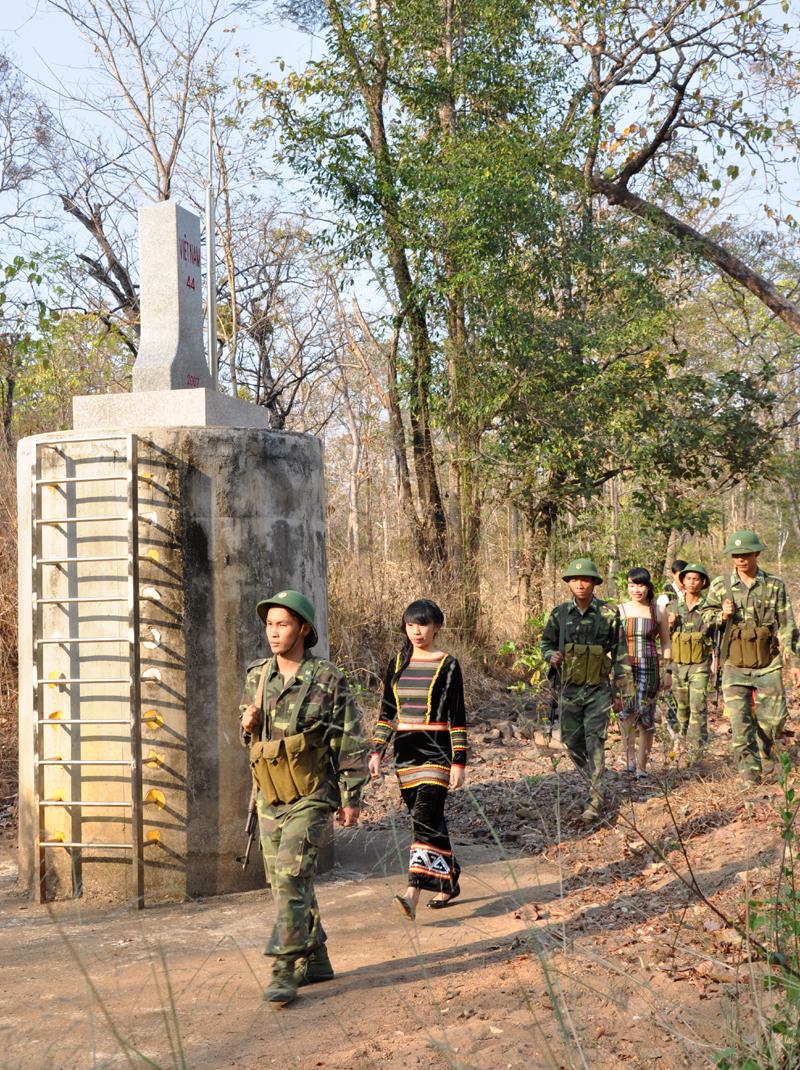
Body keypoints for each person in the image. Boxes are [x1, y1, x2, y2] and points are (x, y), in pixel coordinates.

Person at [239, 590, 369, 1003]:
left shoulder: (328, 678)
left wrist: (351, 797)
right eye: (269, 624)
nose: (273, 632)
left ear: (304, 629)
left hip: (312, 793)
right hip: (270, 796)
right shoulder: (256, 676)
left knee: (292, 877)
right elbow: (251, 740)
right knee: (283, 884)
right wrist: (246, 724)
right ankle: (317, 960)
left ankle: (284, 968)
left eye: (282, 624)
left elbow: (348, 738)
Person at [369, 599, 467, 920]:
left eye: (423, 624)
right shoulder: (397, 662)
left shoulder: (449, 665)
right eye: (410, 624)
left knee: (423, 819)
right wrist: (377, 751)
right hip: (405, 754)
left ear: (437, 627)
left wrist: (459, 762)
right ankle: (449, 878)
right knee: (430, 820)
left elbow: (458, 718)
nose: (416, 630)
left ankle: (412, 891)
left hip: (436, 752)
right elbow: (387, 712)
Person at [702, 531, 800, 784]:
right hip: (734, 664)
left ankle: (766, 759)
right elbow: (706, 617)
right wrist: (721, 615)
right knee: (740, 721)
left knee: (774, 719)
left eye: (745, 553)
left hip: (768, 663)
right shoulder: (720, 584)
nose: (740, 559)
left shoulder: (775, 585)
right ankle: (749, 774)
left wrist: (795, 663)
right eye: (736, 555)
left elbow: (788, 624)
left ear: (756, 553)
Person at [540, 559, 632, 822]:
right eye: (574, 580)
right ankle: (594, 783)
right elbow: (546, 643)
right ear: (568, 583)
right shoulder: (559, 613)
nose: (579, 584)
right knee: (573, 742)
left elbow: (622, 654)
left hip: (598, 690)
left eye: (586, 580)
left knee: (595, 742)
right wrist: (551, 656)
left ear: (594, 583)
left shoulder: (608, 613)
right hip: (568, 690)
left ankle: (595, 798)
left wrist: (619, 693)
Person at [619, 567, 672, 778]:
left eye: (640, 585)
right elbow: (611, 642)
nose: (636, 589)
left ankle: (642, 766)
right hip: (625, 667)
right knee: (626, 714)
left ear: (648, 587)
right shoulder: (619, 610)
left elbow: (666, 642)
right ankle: (629, 761)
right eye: (631, 585)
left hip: (650, 667)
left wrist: (668, 671)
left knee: (646, 717)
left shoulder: (658, 611)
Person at [667, 563, 714, 751]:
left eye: (696, 579)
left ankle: (696, 752)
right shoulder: (672, 606)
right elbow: (660, 638)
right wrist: (669, 624)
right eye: (687, 578)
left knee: (698, 707)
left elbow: (717, 636)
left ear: (703, 582)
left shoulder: (709, 608)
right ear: (682, 581)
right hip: (677, 666)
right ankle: (679, 745)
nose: (691, 582)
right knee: (681, 709)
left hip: (699, 665)